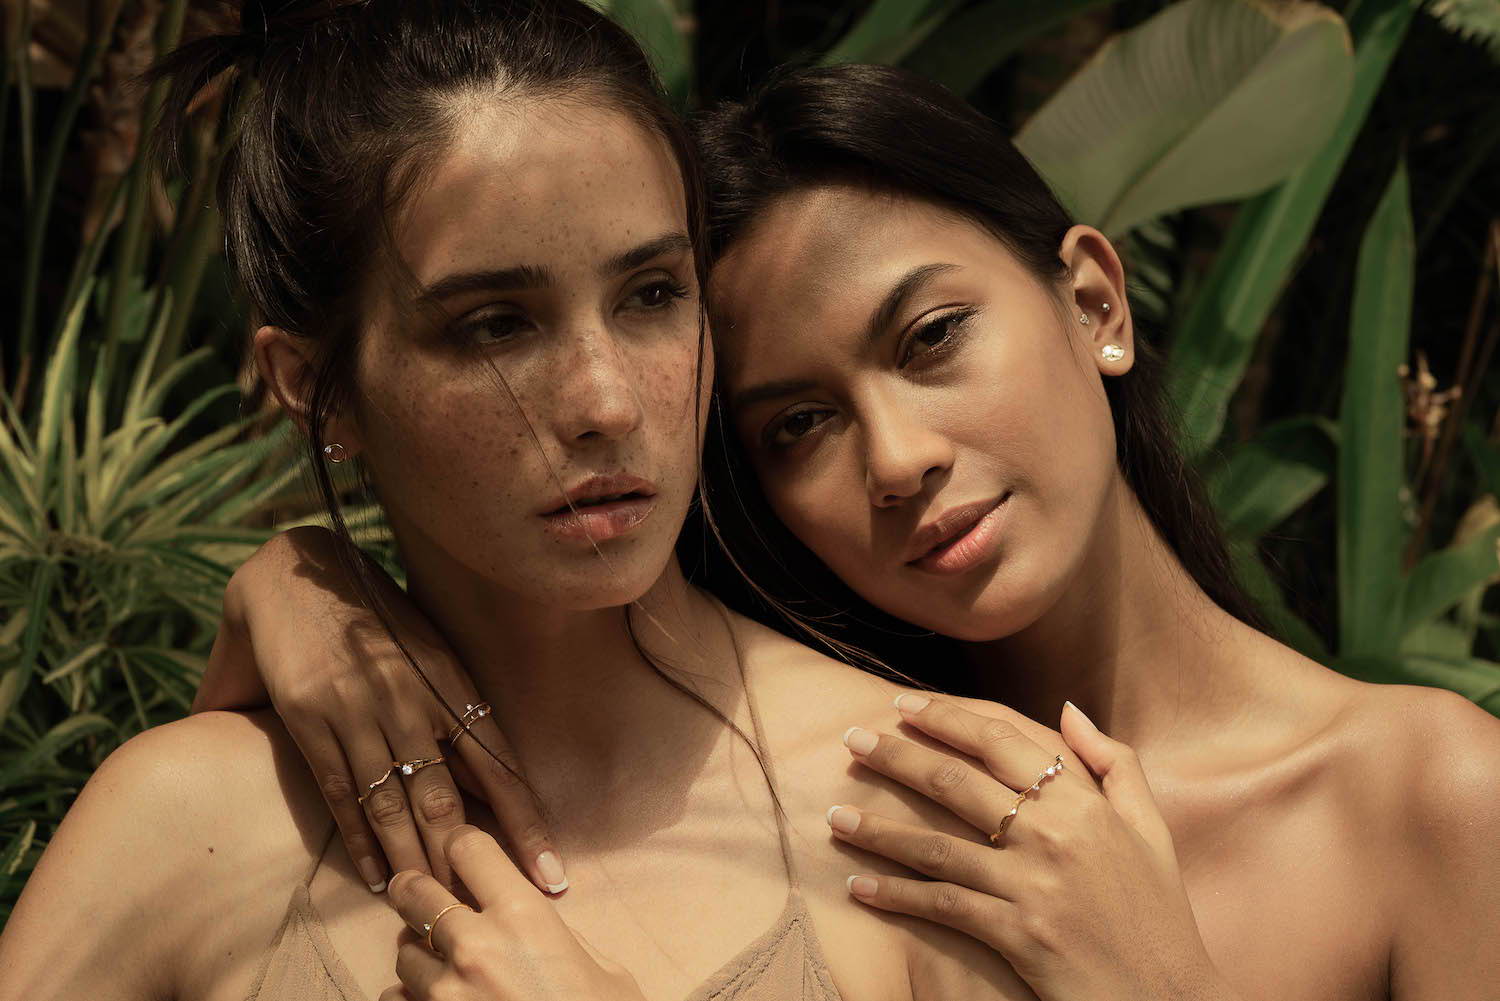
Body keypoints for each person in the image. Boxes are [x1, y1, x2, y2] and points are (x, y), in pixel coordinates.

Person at [201, 60, 1500, 1001]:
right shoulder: (828, 805)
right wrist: (305, 579)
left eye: (932, 338)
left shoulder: (1433, 801)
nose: (897, 458)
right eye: (797, 426)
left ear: (1096, 301)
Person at [0, 5, 1125, 1001]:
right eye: (494, 324)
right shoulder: (176, 826)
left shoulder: (933, 809)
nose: (603, 403)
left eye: (650, 294)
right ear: (316, 387)